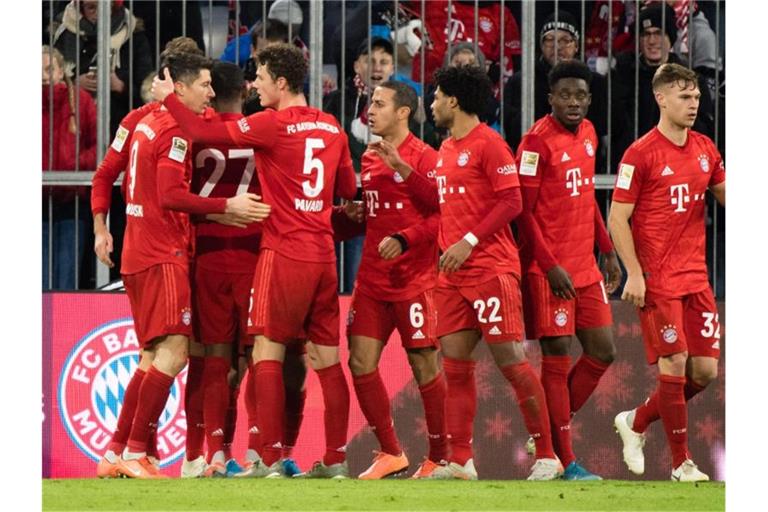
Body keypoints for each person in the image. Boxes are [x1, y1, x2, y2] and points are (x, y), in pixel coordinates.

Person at [152, 43, 358, 479]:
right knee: (326, 359)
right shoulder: (333, 126)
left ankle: (267, 457)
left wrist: (168, 97)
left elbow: (203, 134)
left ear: (281, 83)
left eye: (261, 78)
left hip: (282, 253)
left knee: (265, 349)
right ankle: (337, 460)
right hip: (324, 255)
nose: (255, 85)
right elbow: (346, 188)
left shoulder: (271, 124)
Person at [99, 52, 267, 479]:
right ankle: (138, 450)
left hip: (140, 250)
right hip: (164, 253)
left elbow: (108, 176)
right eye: (203, 85)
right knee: (174, 354)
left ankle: (116, 450)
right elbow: (171, 195)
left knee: (149, 356)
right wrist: (223, 205)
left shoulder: (142, 121)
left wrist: (102, 227)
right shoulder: (174, 130)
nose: (210, 94)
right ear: (180, 86)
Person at [423, 65, 560, 481]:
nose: (431, 104)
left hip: (490, 270)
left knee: (512, 361)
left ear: (454, 101)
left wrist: (467, 240)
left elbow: (512, 203)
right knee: (455, 366)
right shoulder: (446, 148)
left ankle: (548, 456)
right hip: (452, 275)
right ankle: (461, 460)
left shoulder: (490, 144)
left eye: (436, 96)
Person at [608, 63, 725, 482]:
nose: (693, 103)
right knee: (674, 362)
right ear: (661, 98)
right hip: (657, 279)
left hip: (697, 278)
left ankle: (636, 421)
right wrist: (634, 274)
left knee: (704, 373)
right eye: (683, 96)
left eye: (695, 96)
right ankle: (681, 463)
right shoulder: (639, 153)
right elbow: (617, 218)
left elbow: (727, 195)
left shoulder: (706, 148)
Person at [515, 60, 622, 480]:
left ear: (589, 99)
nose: (573, 102)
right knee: (557, 358)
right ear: (550, 98)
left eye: (580, 95)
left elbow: (586, 197)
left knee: (603, 351)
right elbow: (523, 213)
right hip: (550, 270)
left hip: (585, 265)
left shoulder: (590, 135)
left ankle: (547, 426)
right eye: (565, 95)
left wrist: (608, 249)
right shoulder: (535, 144)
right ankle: (565, 458)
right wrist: (549, 264)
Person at [346, 80, 447, 480]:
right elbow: (380, 212)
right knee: (360, 362)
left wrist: (406, 239)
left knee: (424, 364)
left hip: (414, 280)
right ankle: (391, 451)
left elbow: (442, 212)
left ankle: (439, 456)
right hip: (372, 281)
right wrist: (355, 214)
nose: (370, 110)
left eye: (380, 104)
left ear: (404, 112)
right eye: (370, 103)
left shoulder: (425, 157)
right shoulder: (370, 156)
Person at [610, 3, 715, 170]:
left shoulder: (691, 80)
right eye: (646, 35)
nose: (652, 41)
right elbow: (615, 125)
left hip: (678, 168)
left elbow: (704, 129)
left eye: (658, 33)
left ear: (670, 38)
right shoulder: (623, 76)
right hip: (634, 167)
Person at [503, 11, 608, 163]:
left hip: (584, 168)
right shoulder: (521, 81)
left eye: (565, 40)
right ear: (541, 45)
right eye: (550, 40)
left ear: (577, 45)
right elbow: (512, 132)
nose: (557, 47)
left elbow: (607, 133)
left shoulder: (595, 83)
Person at [52, 0, 153, 135]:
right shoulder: (65, 35)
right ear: (81, 8)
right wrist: (74, 83)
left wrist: (121, 86)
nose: (98, 13)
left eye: (104, 6)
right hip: (74, 126)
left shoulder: (134, 36)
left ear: (115, 7)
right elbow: (49, 84)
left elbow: (148, 92)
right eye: (91, 7)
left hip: (121, 126)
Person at [42, 44, 97, 290]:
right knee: (38, 278)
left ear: (60, 70)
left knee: (67, 278)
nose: (43, 76)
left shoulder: (82, 101)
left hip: (73, 200)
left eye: (48, 69)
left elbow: (99, 146)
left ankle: (64, 327)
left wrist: (74, 167)